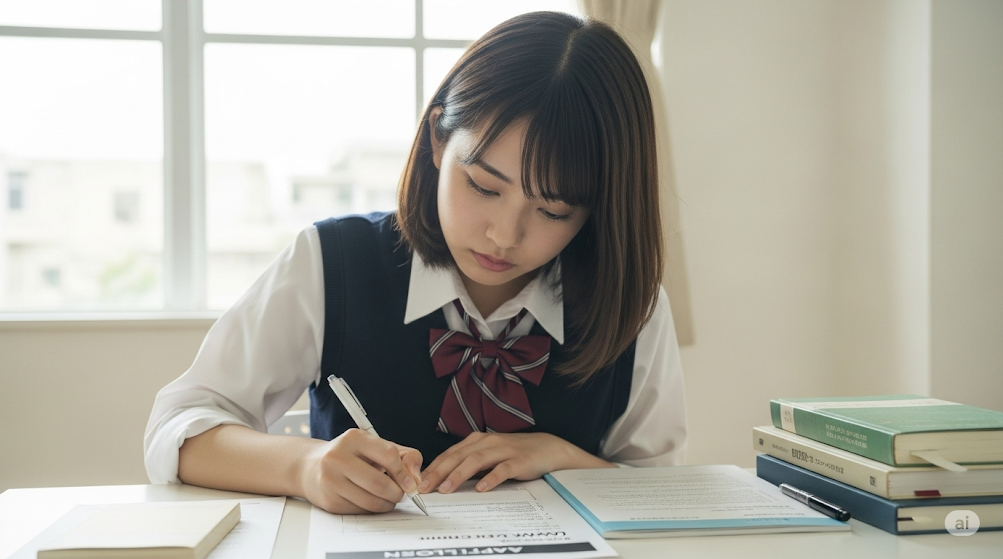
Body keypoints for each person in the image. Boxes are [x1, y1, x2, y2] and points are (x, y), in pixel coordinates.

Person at [144, 11, 686, 515]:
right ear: (435, 141)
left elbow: (661, 494)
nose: (504, 235)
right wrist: (305, 466)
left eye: (553, 210)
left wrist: (561, 456)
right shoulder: (335, 263)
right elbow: (179, 430)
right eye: (482, 186)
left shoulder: (630, 302)